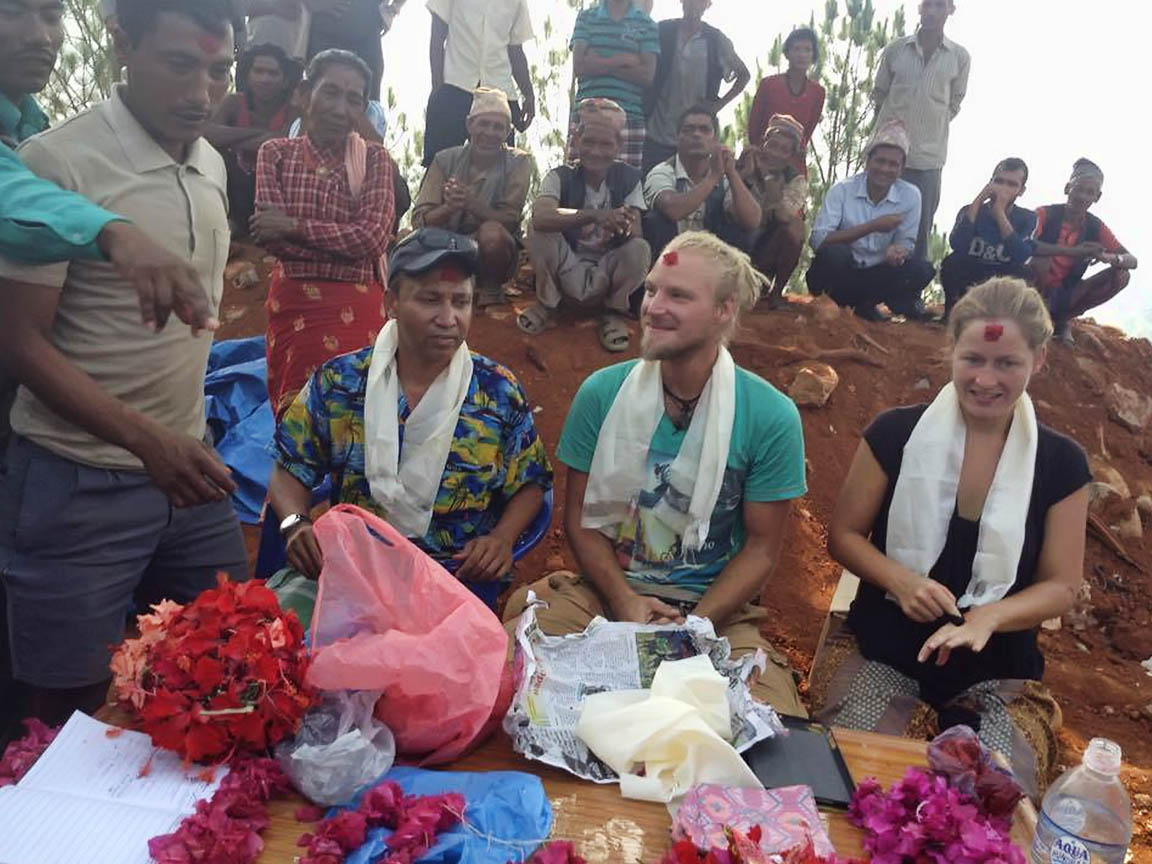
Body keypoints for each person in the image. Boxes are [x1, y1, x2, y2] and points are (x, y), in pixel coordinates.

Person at [0, 0, 247, 736]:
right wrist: (145, 440)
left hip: (189, 473)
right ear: (123, 49)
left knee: (230, 675)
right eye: (180, 64)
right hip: (77, 485)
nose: (201, 92)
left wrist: (176, 441)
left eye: (219, 71)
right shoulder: (56, 162)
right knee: (65, 716)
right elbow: (17, 343)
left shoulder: (211, 163)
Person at [504, 231, 808, 715]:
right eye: (650, 290)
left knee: (774, 721)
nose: (654, 307)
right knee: (509, 678)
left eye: (678, 296)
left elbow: (761, 550)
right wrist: (625, 602)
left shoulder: (770, 416)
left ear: (724, 309)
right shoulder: (602, 393)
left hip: (717, 615)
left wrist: (693, 628)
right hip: (604, 595)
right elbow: (581, 523)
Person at [819, 278, 1089, 799]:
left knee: (990, 798)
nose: (986, 379)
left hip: (999, 673)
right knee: (869, 785)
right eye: (973, 360)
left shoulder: (1061, 464)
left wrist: (989, 617)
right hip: (884, 651)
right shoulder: (894, 434)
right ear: (951, 352)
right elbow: (844, 536)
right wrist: (900, 581)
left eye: (1006, 363)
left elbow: (1061, 585)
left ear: (1039, 360)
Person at [269, 228, 553, 608]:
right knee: (268, 630)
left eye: (461, 301)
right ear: (392, 303)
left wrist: (502, 538)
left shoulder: (497, 392)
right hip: (353, 572)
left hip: (455, 581)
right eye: (430, 299)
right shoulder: (340, 383)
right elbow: (288, 467)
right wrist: (293, 523)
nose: (448, 318)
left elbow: (530, 484)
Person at [252, 49, 396, 419]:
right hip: (294, 304)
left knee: (357, 415)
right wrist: (345, 248)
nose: (340, 109)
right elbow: (270, 238)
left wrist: (293, 227)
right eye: (330, 92)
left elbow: (373, 240)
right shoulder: (275, 154)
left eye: (354, 100)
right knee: (296, 414)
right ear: (304, 95)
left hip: (358, 306)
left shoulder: (375, 159)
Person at [518, 98, 651, 354]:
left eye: (605, 144)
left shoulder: (630, 178)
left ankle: (613, 311)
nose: (596, 151)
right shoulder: (560, 176)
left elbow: (636, 233)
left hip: (605, 269)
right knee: (539, 230)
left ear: (618, 146)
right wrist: (595, 216)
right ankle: (547, 305)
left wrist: (620, 224)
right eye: (589, 142)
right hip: (568, 265)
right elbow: (541, 215)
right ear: (577, 141)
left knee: (639, 249)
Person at [412, 88, 533, 308]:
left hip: (492, 253)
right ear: (469, 125)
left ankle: (491, 290)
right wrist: (449, 208)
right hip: (446, 246)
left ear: (508, 132)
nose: (490, 132)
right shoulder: (444, 160)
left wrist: (471, 204)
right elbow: (421, 220)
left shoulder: (518, 162)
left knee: (492, 233)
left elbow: (510, 220)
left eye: (498, 127)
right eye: (483, 124)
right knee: (406, 239)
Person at [806, 120, 934, 321]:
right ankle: (843, 303)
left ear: (902, 168)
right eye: (880, 161)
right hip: (841, 273)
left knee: (922, 270)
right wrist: (872, 227)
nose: (885, 169)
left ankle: (865, 304)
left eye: (893, 164)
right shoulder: (842, 190)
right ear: (868, 161)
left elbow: (906, 243)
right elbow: (817, 240)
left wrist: (898, 251)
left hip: (876, 273)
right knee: (834, 254)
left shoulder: (911, 195)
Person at [873, 0, 970, 261]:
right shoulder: (896, 49)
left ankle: (911, 284)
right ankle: (862, 281)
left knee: (919, 229)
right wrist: (886, 137)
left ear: (951, 9)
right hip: (886, 154)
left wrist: (930, 127)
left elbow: (954, 103)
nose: (931, 12)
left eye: (939, 6)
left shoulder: (959, 57)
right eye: (927, 5)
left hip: (928, 158)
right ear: (919, 8)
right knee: (873, 220)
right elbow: (880, 94)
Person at [1029, 159, 1138, 344]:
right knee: (1041, 260)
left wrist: (1107, 257)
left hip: (1067, 292)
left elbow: (1132, 260)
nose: (1082, 197)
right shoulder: (1044, 214)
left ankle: (1061, 319)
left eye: (1090, 192)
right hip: (1033, 288)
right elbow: (1027, 245)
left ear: (1097, 197)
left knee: (1121, 275)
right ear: (1067, 188)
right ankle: (1031, 314)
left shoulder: (1095, 226)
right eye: (1078, 189)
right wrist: (1074, 251)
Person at [642, 0, 749, 175]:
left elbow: (744, 75)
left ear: (708, 5)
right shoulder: (662, 30)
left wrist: (718, 105)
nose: (694, 4)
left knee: (692, 185)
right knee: (651, 183)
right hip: (657, 130)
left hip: (696, 136)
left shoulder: (716, 40)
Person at [423, 0, 535, 167]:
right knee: (439, 166)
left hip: (499, 95)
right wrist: (438, 88)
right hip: (455, 86)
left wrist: (529, 94)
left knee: (501, 171)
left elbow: (515, 49)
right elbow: (437, 37)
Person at [205, 43, 301, 235]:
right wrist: (261, 135)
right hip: (233, 184)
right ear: (248, 76)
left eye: (273, 73)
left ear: (284, 80)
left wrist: (232, 139)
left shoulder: (294, 110)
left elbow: (285, 141)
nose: (265, 79)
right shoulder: (233, 102)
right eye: (258, 71)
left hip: (274, 187)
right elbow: (208, 134)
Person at [642, 105, 761, 258]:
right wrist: (713, 178)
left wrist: (732, 174)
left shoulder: (723, 177)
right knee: (656, 220)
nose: (696, 134)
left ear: (715, 140)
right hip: (669, 257)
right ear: (678, 138)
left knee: (741, 229)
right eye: (688, 129)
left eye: (704, 130)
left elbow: (752, 221)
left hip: (711, 258)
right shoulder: (662, 172)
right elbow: (673, 210)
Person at [569, 0, 659, 170]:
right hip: (587, 114)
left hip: (629, 117)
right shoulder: (586, 18)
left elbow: (647, 75)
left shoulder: (647, 24)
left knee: (626, 180)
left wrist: (599, 62)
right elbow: (580, 67)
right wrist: (623, 60)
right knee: (577, 178)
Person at [940, 158, 1035, 320]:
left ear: (1021, 191)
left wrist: (999, 213)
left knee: (1024, 273)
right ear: (990, 182)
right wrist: (978, 201)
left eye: (1011, 184)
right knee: (952, 263)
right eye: (999, 181)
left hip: (1002, 275)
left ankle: (1004, 320)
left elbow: (1021, 255)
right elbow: (957, 244)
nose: (1003, 188)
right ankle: (952, 313)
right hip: (973, 271)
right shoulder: (969, 210)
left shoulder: (1028, 217)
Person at [736, 113, 809, 305]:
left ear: (791, 156)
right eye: (773, 145)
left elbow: (784, 216)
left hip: (763, 247)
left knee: (796, 227)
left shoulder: (796, 180)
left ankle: (775, 292)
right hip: (733, 239)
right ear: (763, 143)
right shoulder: (743, 163)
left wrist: (766, 177)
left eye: (784, 150)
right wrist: (741, 174)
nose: (775, 154)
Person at [746, 27, 824, 176]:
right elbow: (753, 129)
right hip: (762, 160)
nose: (802, 55)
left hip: (793, 164)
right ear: (787, 53)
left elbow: (806, 134)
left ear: (813, 56)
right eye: (797, 49)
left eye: (807, 50)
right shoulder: (768, 84)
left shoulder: (818, 93)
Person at [305, 0, 392, 99]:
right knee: (321, 92)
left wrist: (393, 9)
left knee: (369, 98)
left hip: (369, 25)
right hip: (328, 25)